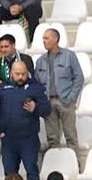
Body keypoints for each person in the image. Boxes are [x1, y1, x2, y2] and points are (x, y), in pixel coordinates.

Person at [0, 61, 50, 180]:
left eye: (23, 74)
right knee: (9, 174)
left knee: (32, 170)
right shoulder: (3, 88)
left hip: (28, 138)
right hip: (8, 139)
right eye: (17, 74)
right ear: (11, 73)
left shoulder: (35, 87)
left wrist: (36, 108)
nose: (20, 77)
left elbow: (47, 109)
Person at [34, 27, 85, 162]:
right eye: (43, 38)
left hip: (65, 100)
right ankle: (56, 165)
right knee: (52, 138)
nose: (44, 41)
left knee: (70, 136)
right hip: (48, 102)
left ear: (55, 39)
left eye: (46, 38)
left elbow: (79, 78)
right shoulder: (40, 61)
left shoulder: (69, 56)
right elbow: (37, 82)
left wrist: (71, 98)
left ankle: (75, 165)